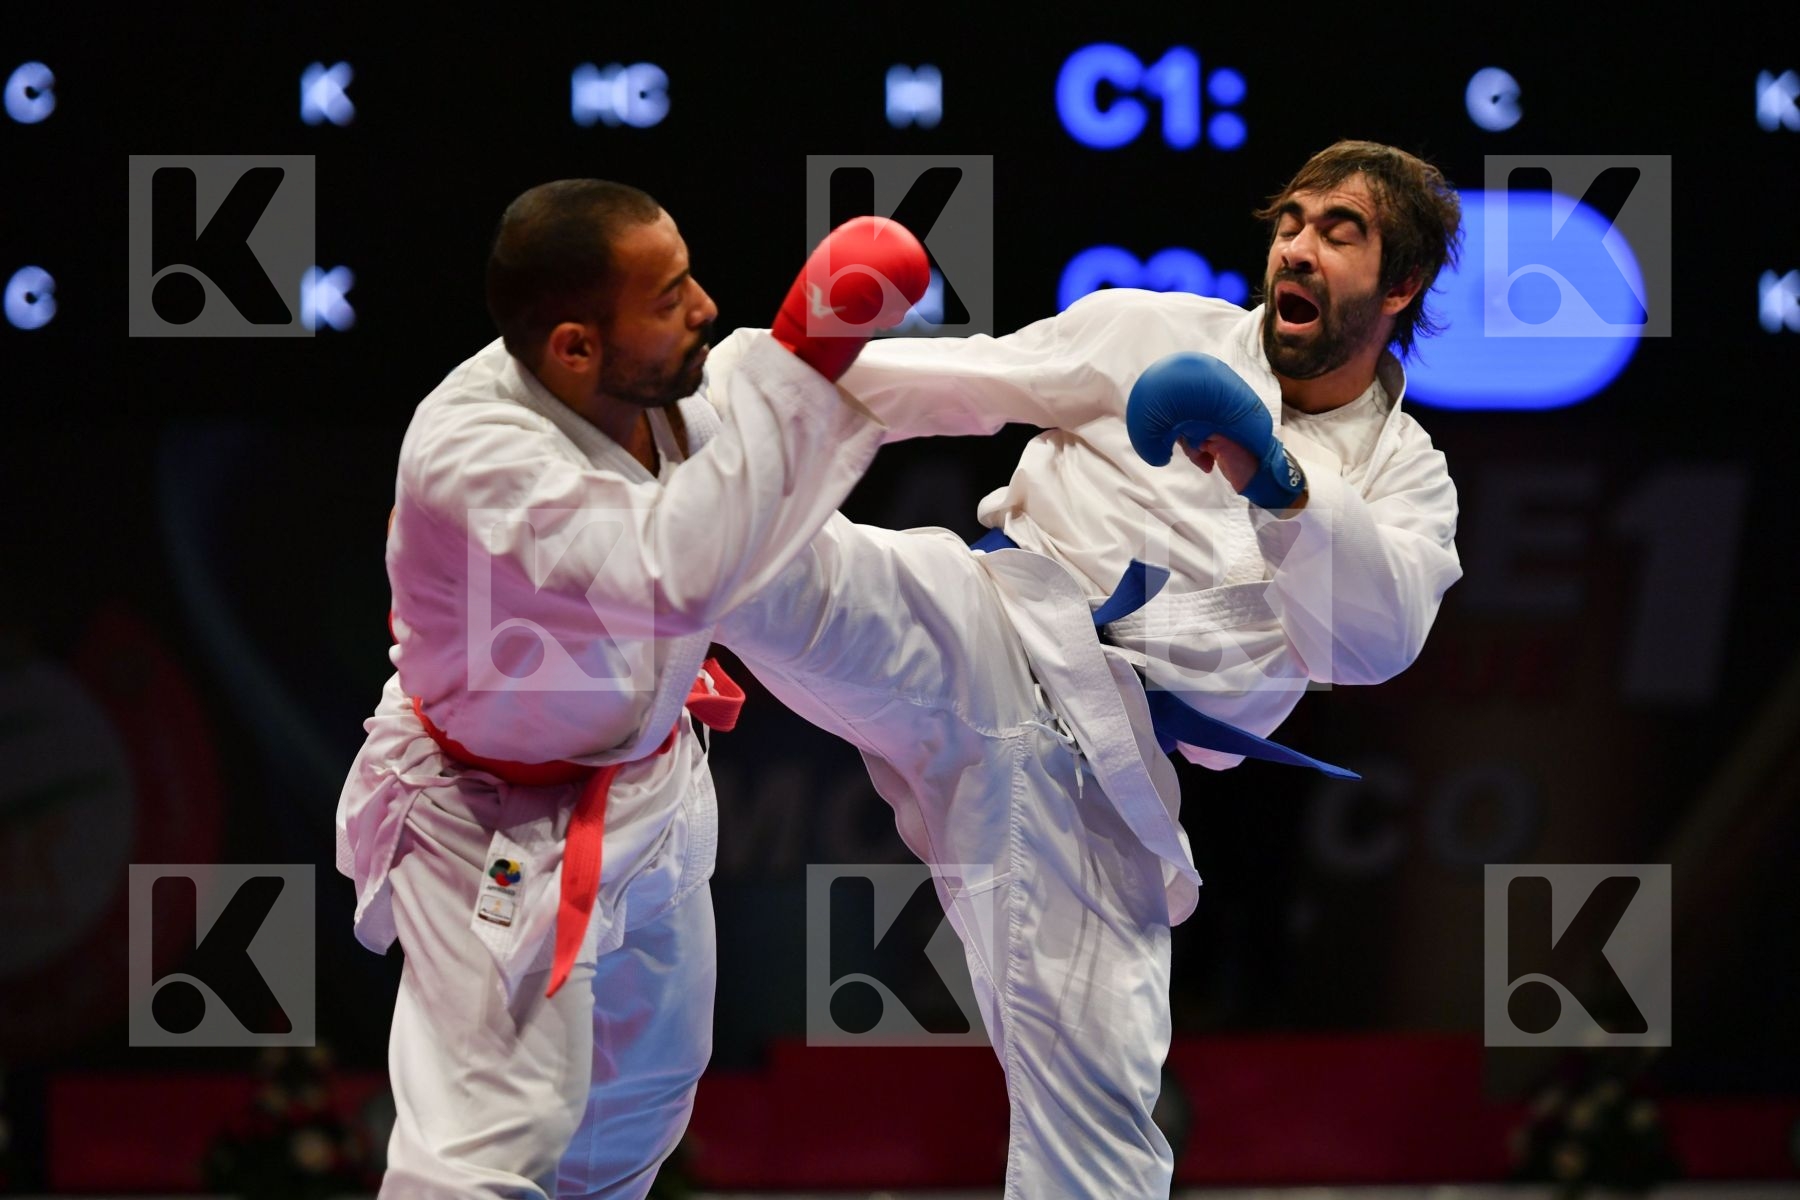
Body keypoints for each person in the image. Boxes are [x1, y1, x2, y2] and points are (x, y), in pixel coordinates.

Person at [709, 139, 1465, 1198]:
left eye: (1341, 232)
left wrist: (1277, 478)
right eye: (1290, 222)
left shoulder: (1407, 478)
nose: (1298, 247)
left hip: (1110, 786)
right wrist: (778, 367)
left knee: (1101, 1133)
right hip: (993, 630)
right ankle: (648, 450)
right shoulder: (1150, 327)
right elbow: (946, 384)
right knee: (766, 563)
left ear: (1403, 284)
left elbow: (1371, 644)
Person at [335, 179, 925, 1197]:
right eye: (670, 294)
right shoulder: (474, 456)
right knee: (491, 1144)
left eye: (689, 275)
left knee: (640, 1102)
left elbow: (831, 392)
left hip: (651, 785)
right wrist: (804, 360)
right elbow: (670, 574)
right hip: (494, 819)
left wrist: (1069, 386)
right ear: (573, 346)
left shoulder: (657, 380)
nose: (703, 305)